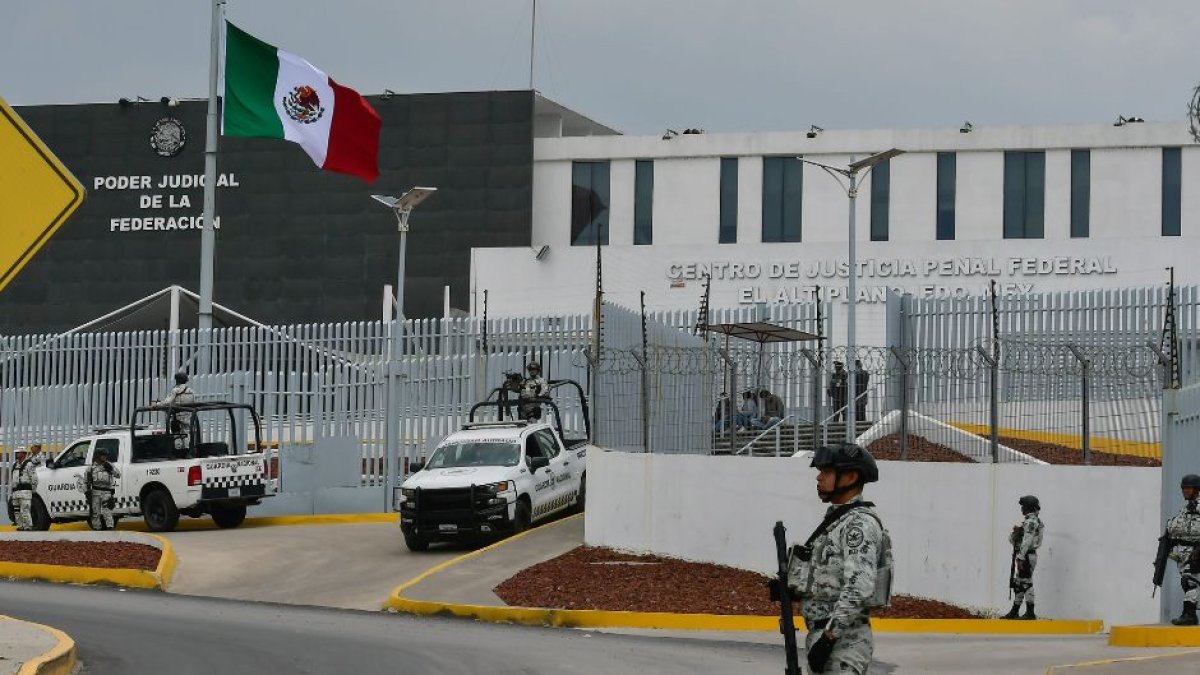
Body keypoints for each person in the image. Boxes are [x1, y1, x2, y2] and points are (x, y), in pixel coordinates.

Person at [782, 442, 890, 674]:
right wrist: (794, 587)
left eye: (827, 472)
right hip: (827, 636)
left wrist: (828, 639)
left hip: (842, 642)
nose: (818, 478)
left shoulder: (857, 525)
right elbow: (830, 576)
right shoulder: (838, 520)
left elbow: (858, 588)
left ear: (850, 477)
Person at [1002, 495, 1044, 620]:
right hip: (1025, 555)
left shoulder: (1031, 522)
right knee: (1020, 583)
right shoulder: (1031, 521)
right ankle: (1015, 611)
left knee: (1026, 583)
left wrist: (1020, 557)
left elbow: (1027, 540)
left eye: (1023, 506)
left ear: (1028, 507)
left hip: (1026, 556)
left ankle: (1030, 613)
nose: (1021, 509)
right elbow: (1015, 540)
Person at [1166, 474, 1200, 625]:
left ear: (1197, 489)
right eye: (1183, 488)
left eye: (1189, 488)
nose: (1185, 491)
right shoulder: (1187, 507)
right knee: (1186, 580)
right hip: (1184, 550)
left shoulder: (1198, 506)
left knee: (1189, 581)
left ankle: (1190, 614)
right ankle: (1189, 613)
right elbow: (1177, 525)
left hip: (1196, 550)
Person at [156, 370, 196, 449]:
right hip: (188, 415)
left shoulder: (176, 390)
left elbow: (167, 402)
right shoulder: (191, 391)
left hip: (177, 416)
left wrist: (158, 404)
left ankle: (178, 450)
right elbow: (194, 402)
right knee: (186, 433)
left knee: (176, 434)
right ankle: (188, 450)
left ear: (177, 380)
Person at [84, 448, 121, 531]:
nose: (105, 457)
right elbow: (86, 481)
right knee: (95, 512)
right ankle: (97, 528)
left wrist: (111, 470)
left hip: (107, 491)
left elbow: (118, 475)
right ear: (98, 456)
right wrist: (87, 492)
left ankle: (110, 527)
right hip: (95, 492)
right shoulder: (91, 468)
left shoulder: (109, 465)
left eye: (105, 455)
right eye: (103, 455)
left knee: (106, 510)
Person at [10, 447, 39, 531]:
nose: (16, 454)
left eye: (18, 452)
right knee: (17, 511)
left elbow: (34, 479)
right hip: (16, 492)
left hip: (25, 492)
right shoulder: (15, 465)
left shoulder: (29, 464)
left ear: (24, 454)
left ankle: (28, 526)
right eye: (16, 452)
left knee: (25, 510)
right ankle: (21, 526)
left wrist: (32, 490)